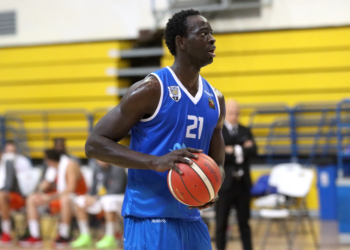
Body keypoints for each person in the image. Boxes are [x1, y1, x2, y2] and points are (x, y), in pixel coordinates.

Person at [85, 9, 225, 250]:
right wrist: (155, 161)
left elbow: (218, 163)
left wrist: (211, 187)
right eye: (203, 34)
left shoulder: (216, 99)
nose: (212, 39)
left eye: (211, 33)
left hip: (191, 218)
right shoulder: (152, 89)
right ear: (181, 42)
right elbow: (94, 144)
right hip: (149, 215)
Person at [19, 149, 87, 248]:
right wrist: (39, 194)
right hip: (60, 196)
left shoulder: (70, 165)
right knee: (31, 198)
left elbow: (71, 189)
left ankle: (64, 235)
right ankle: (35, 235)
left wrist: (49, 197)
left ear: (49, 161)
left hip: (77, 197)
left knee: (65, 199)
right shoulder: (53, 168)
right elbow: (45, 184)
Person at [215, 100, 257, 250]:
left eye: (237, 113)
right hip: (225, 185)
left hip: (242, 184)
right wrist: (242, 149)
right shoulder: (218, 132)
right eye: (231, 113)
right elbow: (219, 155)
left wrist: (233, 150)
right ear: (225, 113)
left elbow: (254, 151)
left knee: (244, 223)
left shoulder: (245, 130)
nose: (234, 116)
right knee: (221, 224)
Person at [70, 160, 127, 249]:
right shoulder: (97, 168)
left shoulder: (118, 168)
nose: (100, 160)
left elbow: (117, 188)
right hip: (102, 197)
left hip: (120, 197)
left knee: (108, 201)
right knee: (79, 201)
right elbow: (93, 187)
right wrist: (88, 196)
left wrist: (96, 198)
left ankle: (110, 236)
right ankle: (85, 235)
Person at [0, 150, 25, 246]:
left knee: (2, 196)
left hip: (14, 196)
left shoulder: (8, 164)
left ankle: (7, 232)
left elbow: (9, 185)